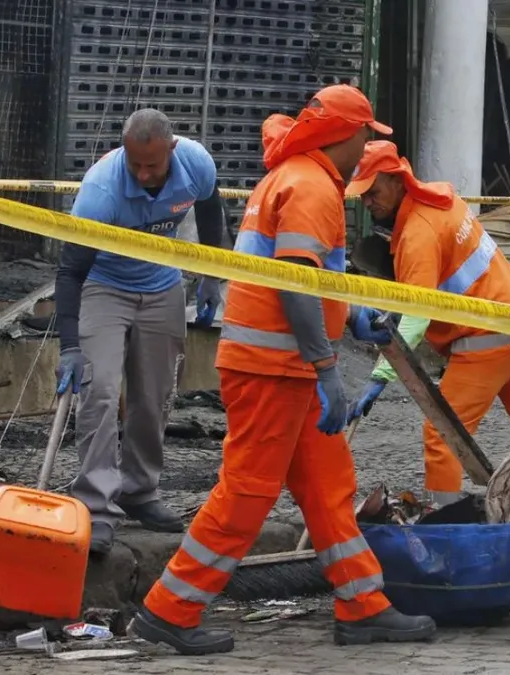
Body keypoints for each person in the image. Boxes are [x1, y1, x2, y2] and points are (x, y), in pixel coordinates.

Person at [131, 85, 438, 655]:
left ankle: (363, 605)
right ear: (346, 134)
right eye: (368, 133)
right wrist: (327, 368)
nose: (370, 144)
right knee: (247, 492)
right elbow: (296, 285)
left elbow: (310, 282)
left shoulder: (293, 176)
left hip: (275, 362)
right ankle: (167, 612)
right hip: (274, 365)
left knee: (326, 486)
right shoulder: (311, 187)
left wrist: (350, 317)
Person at [344, 141, 510, 508]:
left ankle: (443, 522)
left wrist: (378, 377)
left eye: (373, 191)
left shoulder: (418, 233)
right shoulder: (441, 201)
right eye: (362, 195)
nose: (367, 202)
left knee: (442, 434)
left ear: (398, 180)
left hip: (486, 337)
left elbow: (418, 314)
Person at [54, 108, 226, 556]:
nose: (145, 174)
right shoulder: (101, 189)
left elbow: (211, 209)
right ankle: (95, 505)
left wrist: (213, 274)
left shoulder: (196, 164)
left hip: (162, 285)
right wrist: (70, 347)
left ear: (171, 149)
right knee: (101, 392)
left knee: (155, 396)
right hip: (103, 287)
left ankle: (139, 490)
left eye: (153, 164)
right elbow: (71, 271)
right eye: (136, 165)